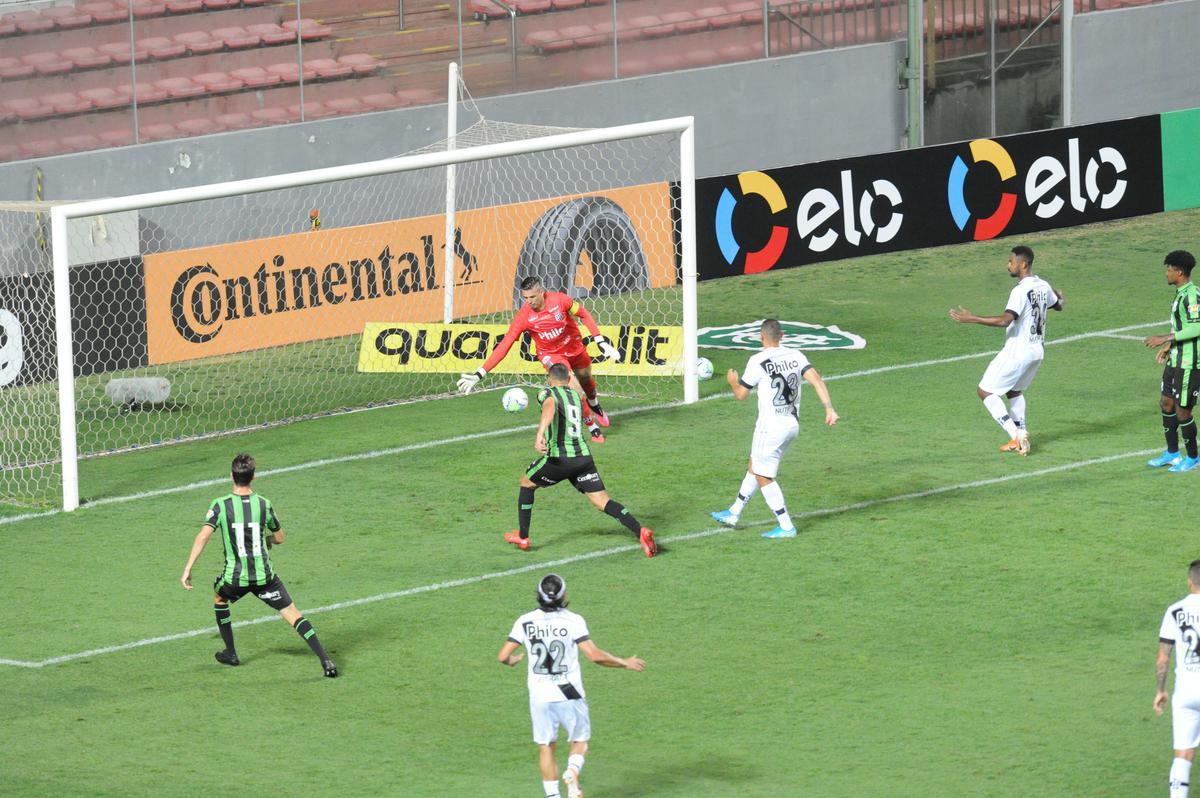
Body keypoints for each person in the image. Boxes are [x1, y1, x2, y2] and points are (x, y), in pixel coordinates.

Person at [181, 453, 337, 678]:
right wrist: (267, 541)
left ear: (231, 476)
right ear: (253, 477)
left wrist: (188, 568)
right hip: (265, 578)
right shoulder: (264, 504)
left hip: (235, 578)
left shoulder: (221, 505)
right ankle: (326, 661)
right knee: (292, 612)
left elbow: (202, 536)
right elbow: (280, 537)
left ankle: (231, 653)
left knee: (219, 597)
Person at [498, 573, 645, 798]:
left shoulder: (524, 621)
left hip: (539, 693)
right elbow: (594, 656)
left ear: (538, 595)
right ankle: (572, 771)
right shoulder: (573, 620)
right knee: (580, 740)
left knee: (546, 746)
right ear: (563, 595)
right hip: (568, 690)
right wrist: (624, 663)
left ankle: (553, 796)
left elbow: (502, 656)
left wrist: (512, 660)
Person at [505, 363, 657, 557]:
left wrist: (540, 434)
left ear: (549, 379)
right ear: (568, 379)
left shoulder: (547, 392)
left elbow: (550, 406)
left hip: (559, 459)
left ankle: (523, 537)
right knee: (603, 501)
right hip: (583, 459)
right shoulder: (576, 396)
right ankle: (640, 531)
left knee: (526, 483)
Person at [710, 318, 838, 539]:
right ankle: (734, 512)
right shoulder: (796, 356)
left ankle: (786, 526)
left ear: (761, 337)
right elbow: (816, 380)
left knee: (763, 475)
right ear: (782, 336)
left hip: (770, 428)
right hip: (791, 425)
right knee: (755, 463)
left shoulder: (757, 360)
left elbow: (741, 395)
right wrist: (829, 409)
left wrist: (732, 381)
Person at [457, 276, 621, 443]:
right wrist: (480, 373)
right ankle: (592, 427)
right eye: (525, 298)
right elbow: (505, 345)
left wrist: (599, 340)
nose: (529, 301)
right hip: (551, 355)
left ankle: (595, 404)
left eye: (533, 297)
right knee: (575, 390)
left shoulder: (560, 300)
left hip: (574, 347)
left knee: (586, 380)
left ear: (542, 292)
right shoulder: (524, 316)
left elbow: (584, 314)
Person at [949, 245, 1063, 456]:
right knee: (1014, 390)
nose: (1008, 264)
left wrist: (972, 318)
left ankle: (1016, 435)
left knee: (985, 391)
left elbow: (1005, 321)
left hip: (1018, 350)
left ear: (1023, 264)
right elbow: (1058, 304)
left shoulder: (1020, 291)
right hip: (1037, 351)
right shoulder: (1043, 285)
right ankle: (1021, 432)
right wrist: (1059, 296)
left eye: (1011, 261)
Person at [1144, 250, 1200, 472]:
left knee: (1183, 411)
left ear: (1179, 271)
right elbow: (1181, 326)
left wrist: (1164, 338)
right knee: (1166, 403)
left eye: (1169, 269)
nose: (1166, 273)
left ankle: (1193, 457)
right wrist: (1169, 347)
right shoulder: (1180, 294)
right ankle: (1173, 453)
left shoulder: (1193, 296)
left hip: (1189, 363)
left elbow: (1197, 326)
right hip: (1175, 359)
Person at [1155, 559, 1200, 798]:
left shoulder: (1174, 611)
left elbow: (1163, 658)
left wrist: (1160, 690)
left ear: (1189, 581)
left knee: (1183, 756)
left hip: (1185, 693)